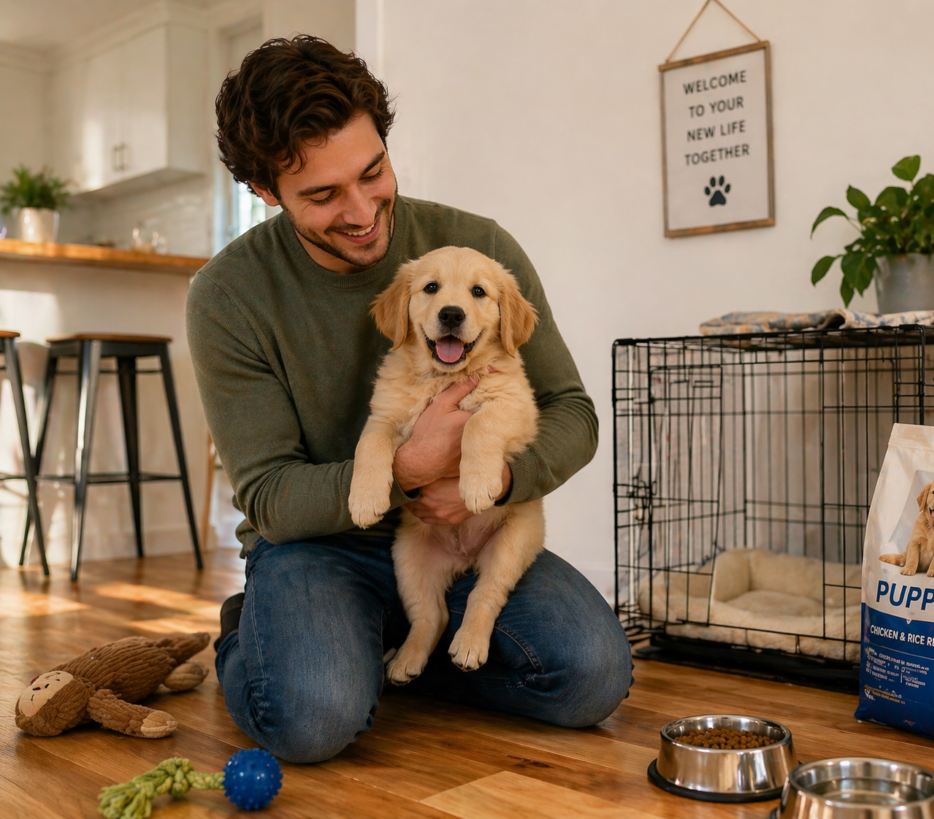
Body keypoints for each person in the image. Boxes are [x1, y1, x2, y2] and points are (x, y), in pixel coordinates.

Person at [186, 35, 632, 764]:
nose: (362, 212)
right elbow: (269, 496)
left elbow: (571, 413)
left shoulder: (478, 248)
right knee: (311, 718)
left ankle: (395, 653)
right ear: (266, 193)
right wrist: (410, 466)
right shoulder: (228, 295)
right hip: (318, 548)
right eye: (323, 195)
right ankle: (257, 637)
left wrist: (496, 482)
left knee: (592, 676)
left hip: (470, 530)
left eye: (373, 172)